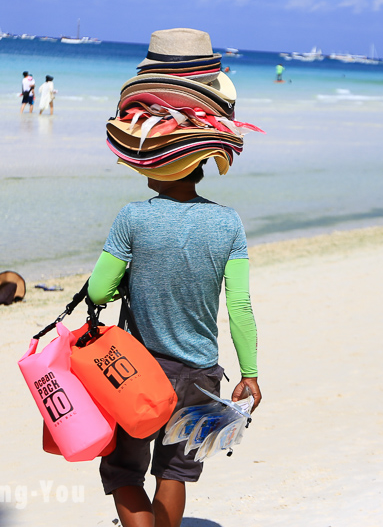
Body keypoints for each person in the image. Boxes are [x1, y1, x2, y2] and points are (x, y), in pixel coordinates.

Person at [87, 28, 261, 527]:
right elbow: (240, 308)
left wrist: (127, 281)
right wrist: (249, 373)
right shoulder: (228, 222)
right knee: (175, 474)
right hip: (203, 373)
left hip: (137, 370)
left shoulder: (132, 218)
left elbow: (99, 291)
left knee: (123, 470)